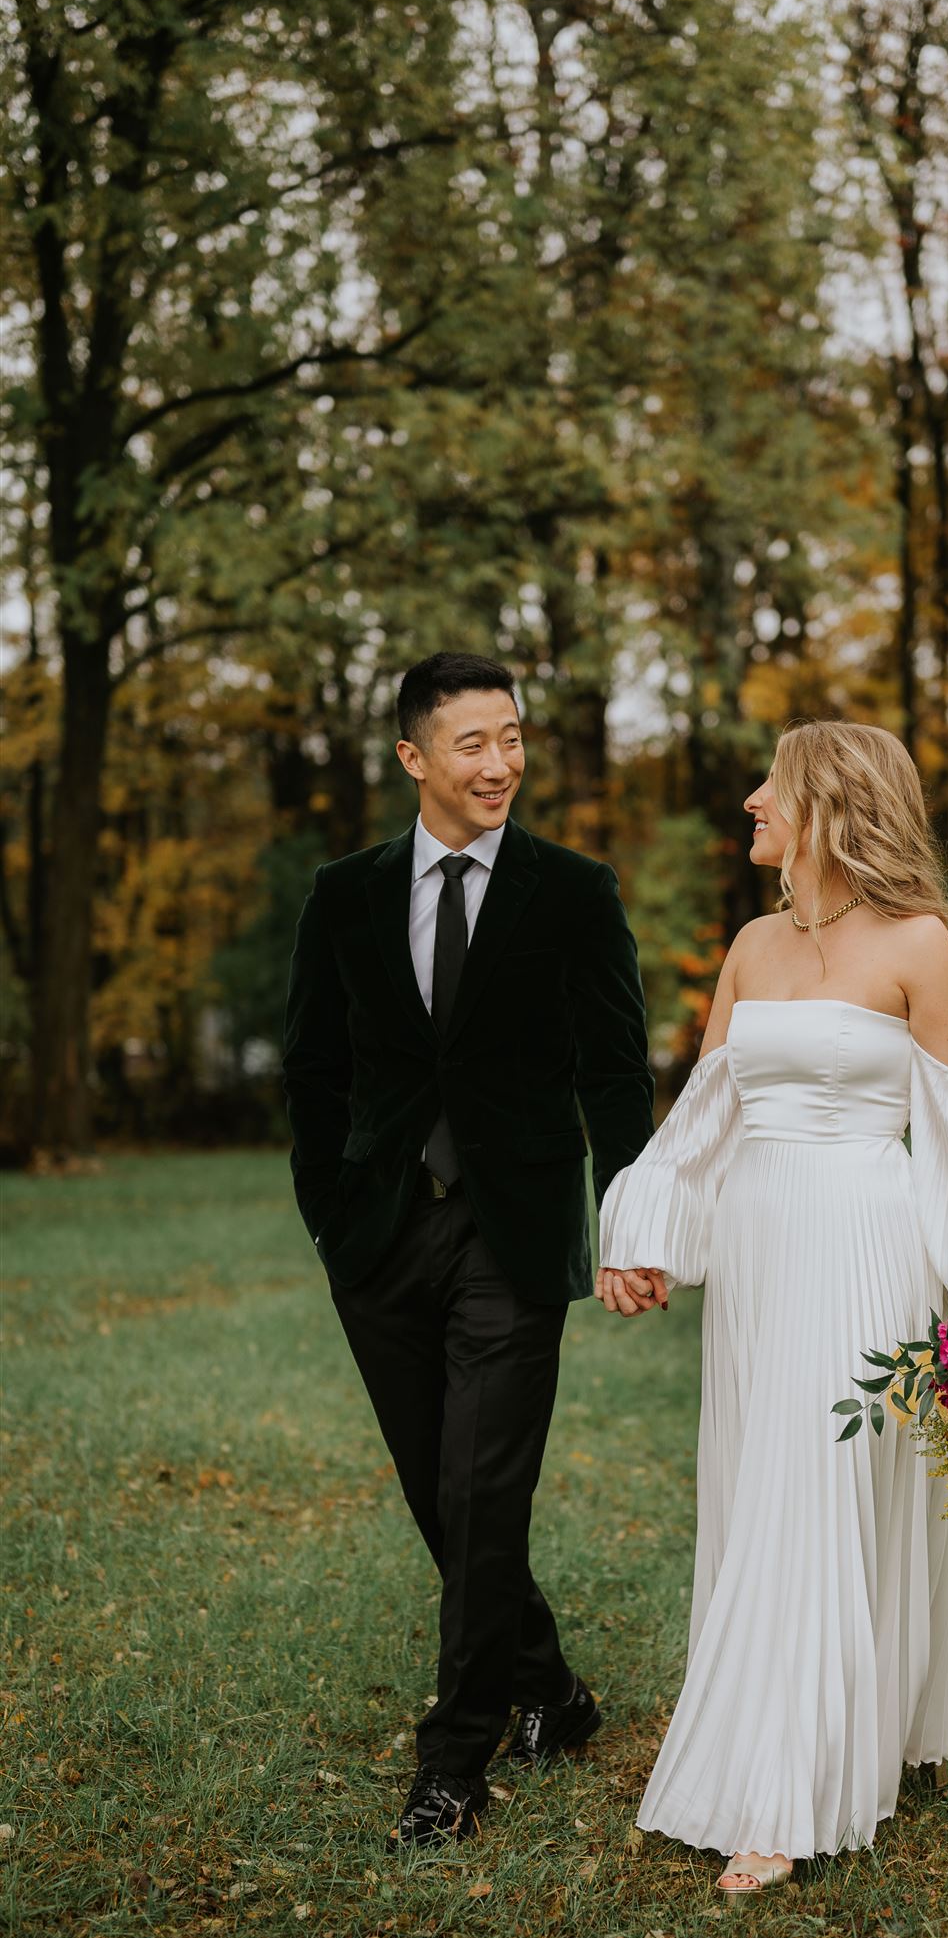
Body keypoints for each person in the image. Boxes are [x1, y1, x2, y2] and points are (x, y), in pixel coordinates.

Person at [595, 718, 948, 1892]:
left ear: (830, 805)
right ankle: (796, 1729)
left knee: (822, 1487)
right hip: (759, 1252)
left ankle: (786, 1793)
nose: (752, 800)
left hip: (866, 1240)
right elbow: (707, 1112)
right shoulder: (753, 945)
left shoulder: (921, 945)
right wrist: (644, 1232)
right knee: (762, 1485)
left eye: (773, 786)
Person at [282, 651, 656, 1848]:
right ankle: (554, 1691)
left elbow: (613, 1072)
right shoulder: (344, 893)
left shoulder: (574, 892)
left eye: (513, 738)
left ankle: (456, 1760)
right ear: (411, 758)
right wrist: (332, 1220)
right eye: (471, 743)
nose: (499, 763)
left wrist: (629, 1218)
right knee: (441, 1499)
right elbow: (313, 1070)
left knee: (483, 1490)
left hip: (516, 1229)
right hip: (381, 1234)